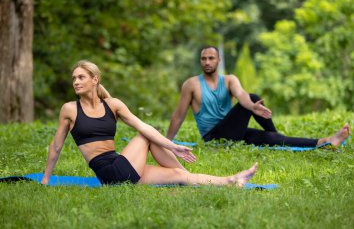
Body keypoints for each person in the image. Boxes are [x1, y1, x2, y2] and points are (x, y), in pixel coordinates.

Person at [41, 60, 258, 187]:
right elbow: (56, 146)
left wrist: (172, 146)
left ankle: (231, 180)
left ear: (94, 80)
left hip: (122, 165)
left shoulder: (113, 104)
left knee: (178, 175)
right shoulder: (70, 109)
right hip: (109, 172)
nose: (76, 82)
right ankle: (188, 170)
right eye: (74, 78)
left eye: (81, 77)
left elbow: (140, 123)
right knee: (146, 136)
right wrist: (45, 180)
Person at [167, 46, 350, 148]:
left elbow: (242, 95)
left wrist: (252, 107)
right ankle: (276, 133)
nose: (207, 62)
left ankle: (325, 141)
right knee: (254, 98)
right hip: (214, 137)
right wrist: (167, 142)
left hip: (235, 133)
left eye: (211, 58)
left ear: (218, 60)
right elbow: (178, 115)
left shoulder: (230, 80)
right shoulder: (191, 84)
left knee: (273, 139)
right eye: (203, 58)